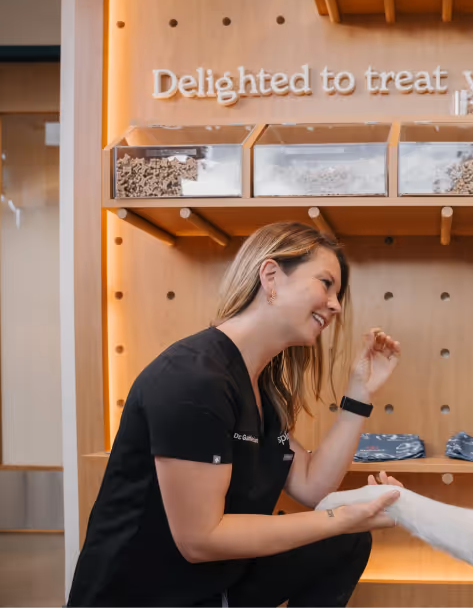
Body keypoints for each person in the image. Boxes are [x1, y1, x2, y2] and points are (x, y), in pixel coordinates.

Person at [69, 222, 404, 607]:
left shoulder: (257, 386)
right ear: (271, 276)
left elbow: (314, 488)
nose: (335, 304)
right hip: (146, 596)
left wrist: (359, 395)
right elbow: (200, 539)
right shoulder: (193, 379)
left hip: (214, 583)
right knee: (341, 530)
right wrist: (342, 516)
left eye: (338, 293)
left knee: (345, 542)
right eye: (326, 283)